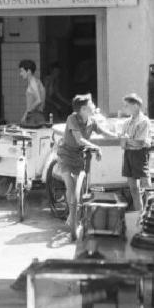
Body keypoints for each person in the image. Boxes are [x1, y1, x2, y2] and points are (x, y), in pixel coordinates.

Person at [57, 94, 117, 238]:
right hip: (66, 155)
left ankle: (75, 214)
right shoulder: (72, 119)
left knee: (79, 189)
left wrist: (119, 136)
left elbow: (104, 132)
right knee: (70, 186)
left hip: (79, 156)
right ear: (83, 109)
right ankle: (72, 217)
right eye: (91, 104)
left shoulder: (92, 121)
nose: (93, 105)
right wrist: (96, 147)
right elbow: (79, 140)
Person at [120, 93, 152, 212]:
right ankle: (139, 213)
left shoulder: (144, 121)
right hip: (128, 154)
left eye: (127, 106)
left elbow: (140, 143)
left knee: (146, 185)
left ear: (136, 106)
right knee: (133, 188)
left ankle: (150, 211)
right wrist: (129, 141)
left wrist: (128, 140)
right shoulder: (126, 122)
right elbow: (122, 144)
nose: (125, 108)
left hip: (140, 155)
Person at [19, 59, 46, 126]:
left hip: (34, 116)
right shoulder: (37, 81)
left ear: (28, 71)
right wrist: (25, 115)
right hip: (37, 115)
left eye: (22, 71)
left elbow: (38, 100)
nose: (20, 74)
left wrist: (28, 112)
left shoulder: (33, 83)